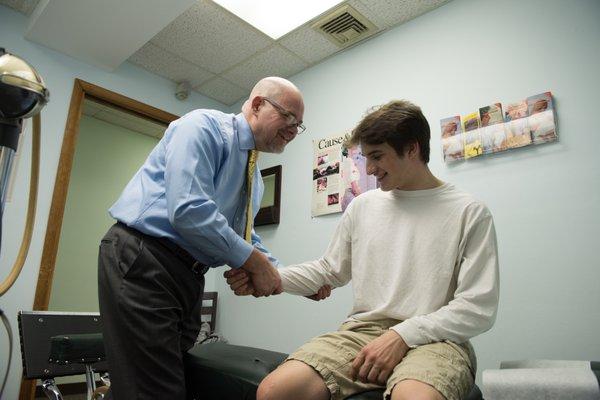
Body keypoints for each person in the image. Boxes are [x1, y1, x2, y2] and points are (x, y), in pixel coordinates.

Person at [226, 100, 499, 400]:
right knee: (275, 391)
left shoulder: (469, 211)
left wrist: (403, 335)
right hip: (363, 332)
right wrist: (268, 276)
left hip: (437, 339)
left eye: (377, 157)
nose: (369, 169)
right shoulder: (362, 206)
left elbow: (477, 308)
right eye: (366, 158)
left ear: (412, 148)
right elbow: (330, 270)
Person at [98, 77, 323, 399]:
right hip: (145, 256)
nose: (292, 129)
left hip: (187, 273)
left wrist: (294, 280)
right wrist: (253, 262)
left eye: (298, 125)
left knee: (158, 374)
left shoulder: (254, 177)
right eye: (288, 117)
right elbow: (189, 210)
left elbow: (244, 238)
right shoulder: (202, 127)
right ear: (258, 104)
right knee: (156, 388)